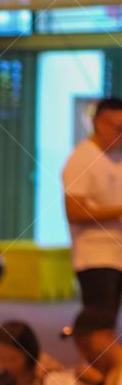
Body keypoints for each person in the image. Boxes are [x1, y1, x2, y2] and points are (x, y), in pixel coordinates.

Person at [63, 95, 122, 320]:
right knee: (99, 325)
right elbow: (74, 211)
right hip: (95, 257)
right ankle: (89, 356)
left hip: (117, 255)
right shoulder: (81, 158)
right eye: (117, 127)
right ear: (98, 122)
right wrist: (118, 211)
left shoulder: (116, 158)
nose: (120, 133)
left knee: (108, 323)